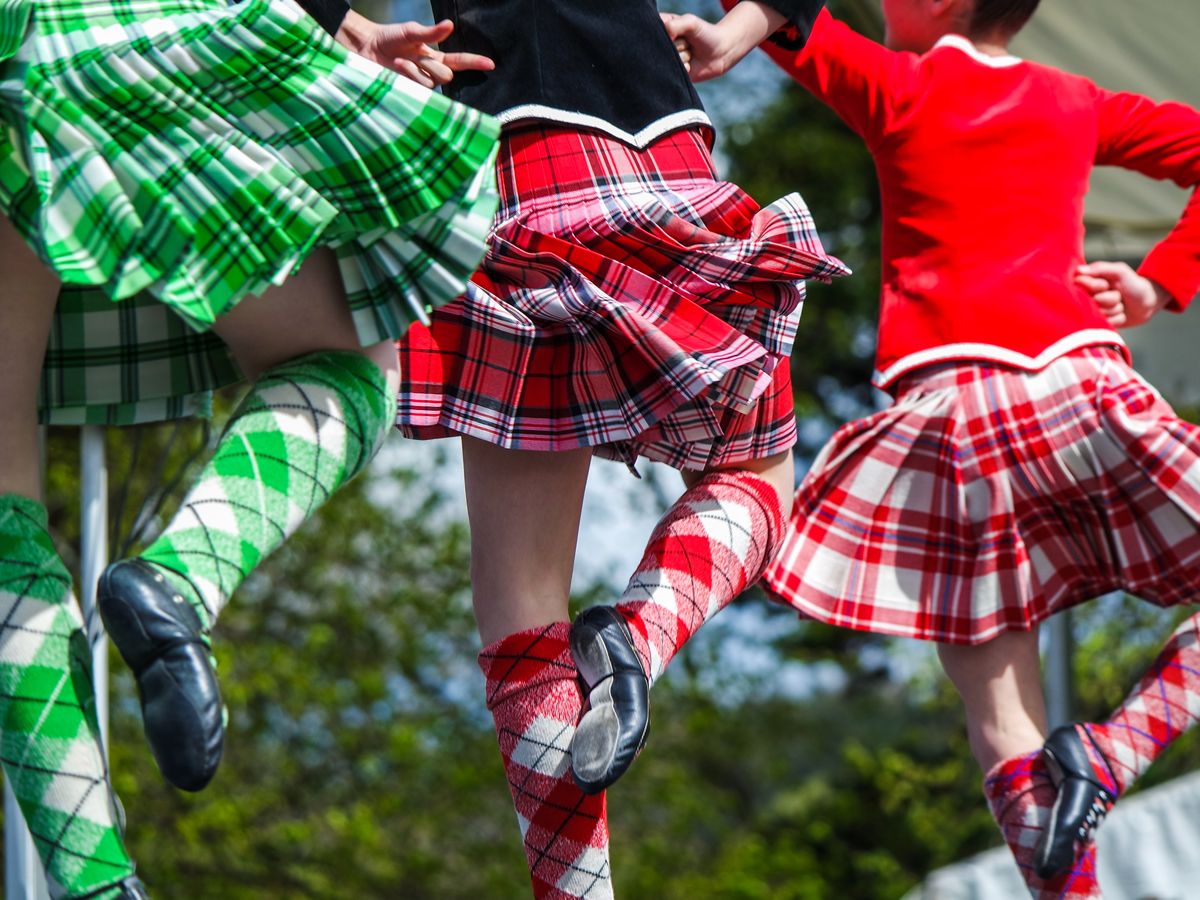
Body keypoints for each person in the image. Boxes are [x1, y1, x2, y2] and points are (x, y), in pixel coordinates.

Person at [636, 1, 1199, 897]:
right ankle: (1123, 744)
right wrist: (1157, 281)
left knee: (1000, 718)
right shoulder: (1077, 100)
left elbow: (790, 17)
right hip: (1074, 383)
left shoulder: (898, 85)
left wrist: (729, 33)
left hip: (948, 423)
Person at [310, 0, 845, 895]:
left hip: (503, 153)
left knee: (519, 611)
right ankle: (640, 633)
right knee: (754, 480)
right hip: (657, 139)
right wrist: (749, 22)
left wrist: (342, 23)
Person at [1, 0, 499, 892]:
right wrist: (329, 20)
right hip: (99, 33)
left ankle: (96, 883)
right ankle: (180, 575)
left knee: (2, 503)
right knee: (353, 358)